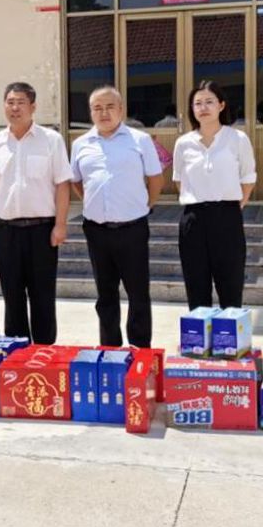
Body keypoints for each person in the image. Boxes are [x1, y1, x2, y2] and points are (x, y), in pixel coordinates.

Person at [0, 82, 72, 344]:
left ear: (33, 107)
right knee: (12, 295)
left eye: (20, 102)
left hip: (42, 230)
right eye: (10, 102)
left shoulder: (51, 140)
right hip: (5, 231)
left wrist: (60, 224)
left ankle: (44, 351)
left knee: (43, 296)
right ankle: (16, 352)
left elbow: (62, 185)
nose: (15, 108)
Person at [70, 86, 164, 348]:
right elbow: (77, 181)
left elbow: (156, 179)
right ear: (90, 112)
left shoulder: (140, 140)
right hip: (96, 230)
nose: (104, 113)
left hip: (132, 229)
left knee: (138, 293)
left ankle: (140, 349)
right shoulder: (80, 144)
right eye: (97, 108)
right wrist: (94, 203)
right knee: (105, 295)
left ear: (121, 109)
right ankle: (110, 349)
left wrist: (146, 204)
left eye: (110, 106)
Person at [173, 80, 257, 309]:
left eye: (209, 102)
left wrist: (232, 206)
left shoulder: (237, 139)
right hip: (193, 219)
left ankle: (230, 333)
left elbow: (248, 179)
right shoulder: (183, 143)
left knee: (230, 286)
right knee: (196, 287)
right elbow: (180, 180)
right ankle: (199, 332)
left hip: (227, 217)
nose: (203, 107)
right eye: (197, 103)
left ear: (221, 105)